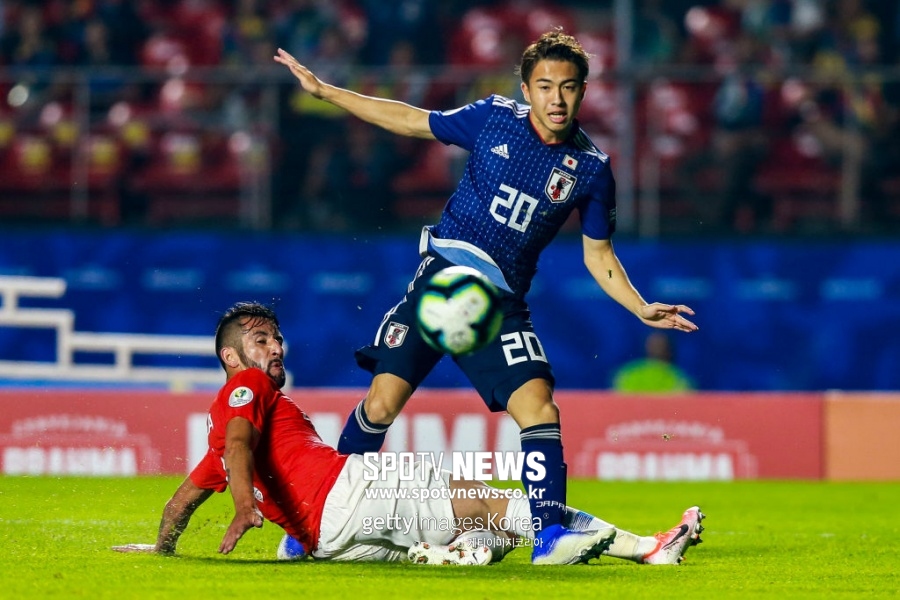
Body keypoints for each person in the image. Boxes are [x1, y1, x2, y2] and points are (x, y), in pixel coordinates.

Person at [273, 29, 700, 563]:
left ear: (583, 91)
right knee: (380, 403)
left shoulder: (592, 169)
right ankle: (312, 520)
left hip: (499, 304)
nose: (557, 98)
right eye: (545, 86)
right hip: (444, 282)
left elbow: (599, 254)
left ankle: (549, 537)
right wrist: (327, 92)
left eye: (569, 87)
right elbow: (411, 119)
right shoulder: (494, 118)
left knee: (540, 408)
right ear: (526, 89)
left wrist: (639, 306)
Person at [112, 302, 704, 565]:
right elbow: (242, 445)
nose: (276, 347)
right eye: (260, 340)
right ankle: (649, 548)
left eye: (276, 337)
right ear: (230, 357)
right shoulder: (247, 388)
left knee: (481, 530)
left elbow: (182, 500)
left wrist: (162, 547)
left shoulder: (218, 435)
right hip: (349, 492)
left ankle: (461, 554)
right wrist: (245, 505)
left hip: (328, 540)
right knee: (501, 505)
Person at [612, 332, 695, 393]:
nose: (657, 348)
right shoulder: (629, 373)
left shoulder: (680, 378)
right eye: (654, 345)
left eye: (660, 345)